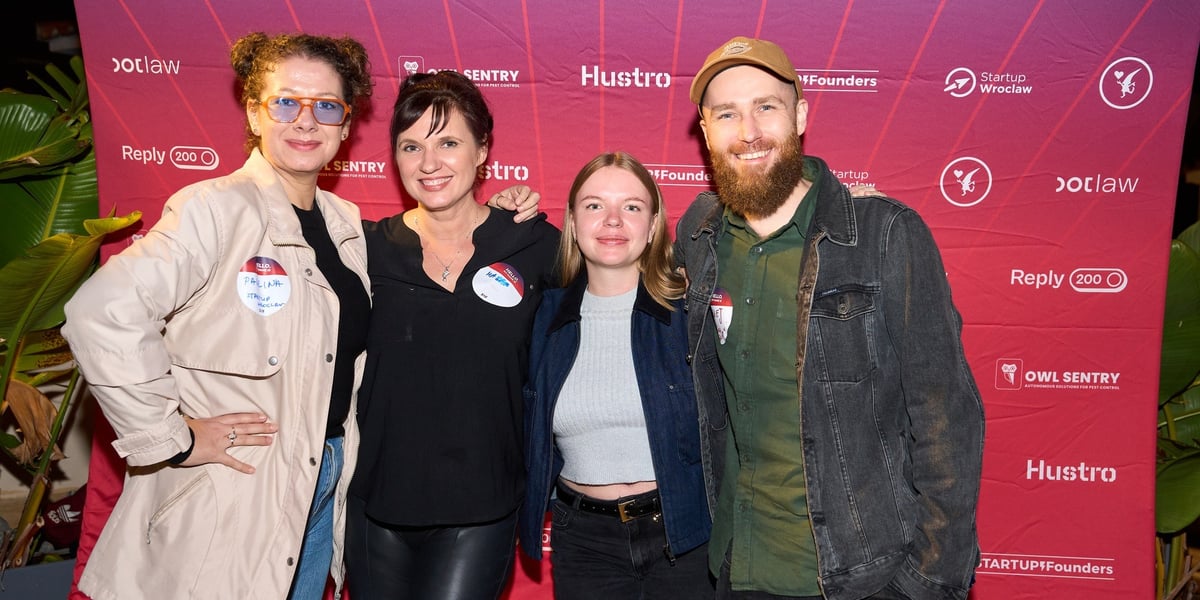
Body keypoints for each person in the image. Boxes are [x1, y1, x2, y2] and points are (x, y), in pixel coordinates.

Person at [61, 33, 538, 600]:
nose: (306, 121)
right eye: (286, 101)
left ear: (345, 126)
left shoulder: (344, 226)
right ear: (254, 113)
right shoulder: (214, 209)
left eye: (327, 106)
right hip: (238, 489)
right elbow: (100, 312)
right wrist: (171, 437)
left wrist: (502, 214)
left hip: (326, 485)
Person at [675, 37, 985, 600]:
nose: (748, 131)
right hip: (736, 566)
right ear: (705, 130)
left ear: (800, 117)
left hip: (859, 576)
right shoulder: (699, 235)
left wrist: (928, 582)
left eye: (766, 106)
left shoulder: (882, 234)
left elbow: (946, 416)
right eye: (727, 113)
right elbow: (608, 261)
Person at [346, 70, 560, 599]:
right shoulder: (365, 247)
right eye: (411, 146)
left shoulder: (534, 243)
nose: (429, 163)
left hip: (483, 503)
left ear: (483, 150)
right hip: (377, 502)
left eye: (448, 142)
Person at [520, 152, 714, 598]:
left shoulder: (692, 314)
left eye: (631, 207)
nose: (612, 221)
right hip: (583, 541)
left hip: (684, 535)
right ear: (572, 221)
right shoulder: (539, 318)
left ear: (653, 225)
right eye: (593, 205)